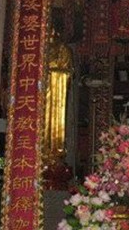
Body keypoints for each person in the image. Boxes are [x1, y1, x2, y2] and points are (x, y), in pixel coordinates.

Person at [43, 27, 75, 163]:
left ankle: (53, 151)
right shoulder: (34, 48)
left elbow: (67, 72)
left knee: (53, 119)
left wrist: (50, 73)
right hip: (36, 91)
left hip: (55, 89)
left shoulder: (63, 49)